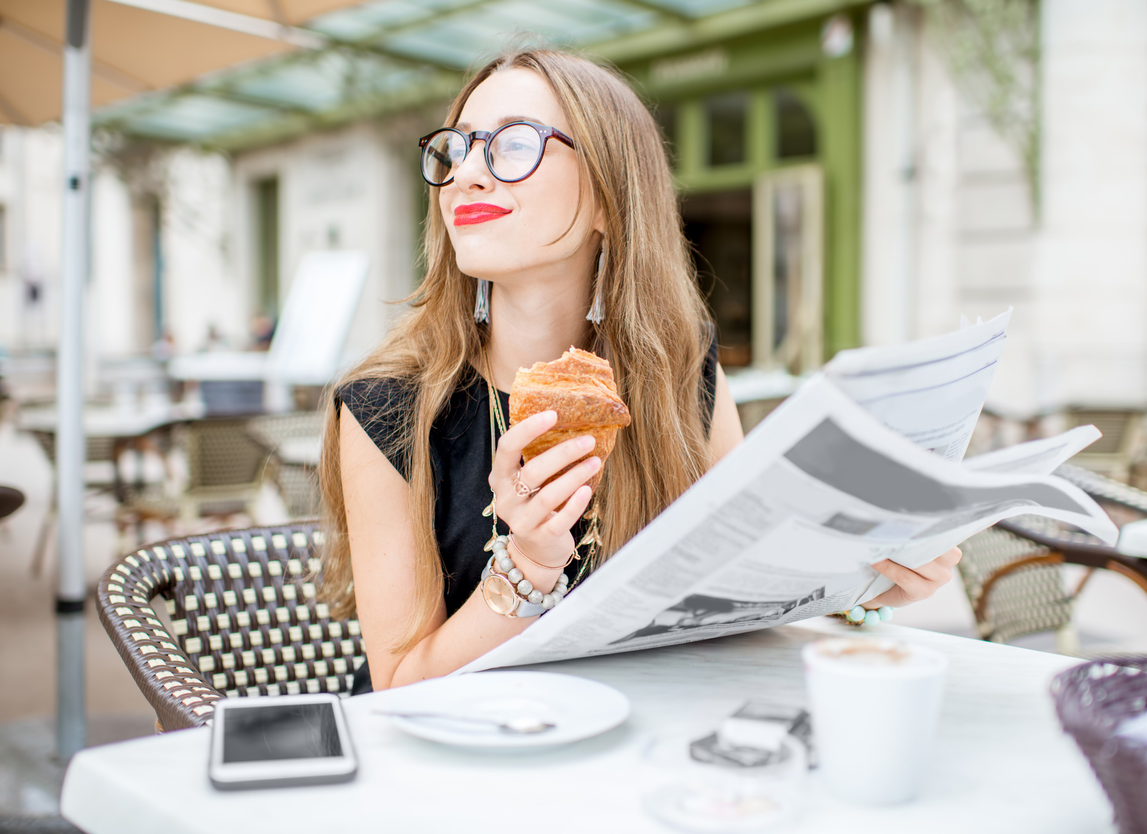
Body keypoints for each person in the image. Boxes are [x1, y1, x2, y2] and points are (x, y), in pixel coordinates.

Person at [318, 49, 961, 692]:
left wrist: (864, 579)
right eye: (456, 150)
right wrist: (526, 569)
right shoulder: (386, 404)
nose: (467, 176)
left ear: (608, 197)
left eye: (512, 145)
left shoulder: (681, 371)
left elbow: (738, 591)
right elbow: (397, 684)